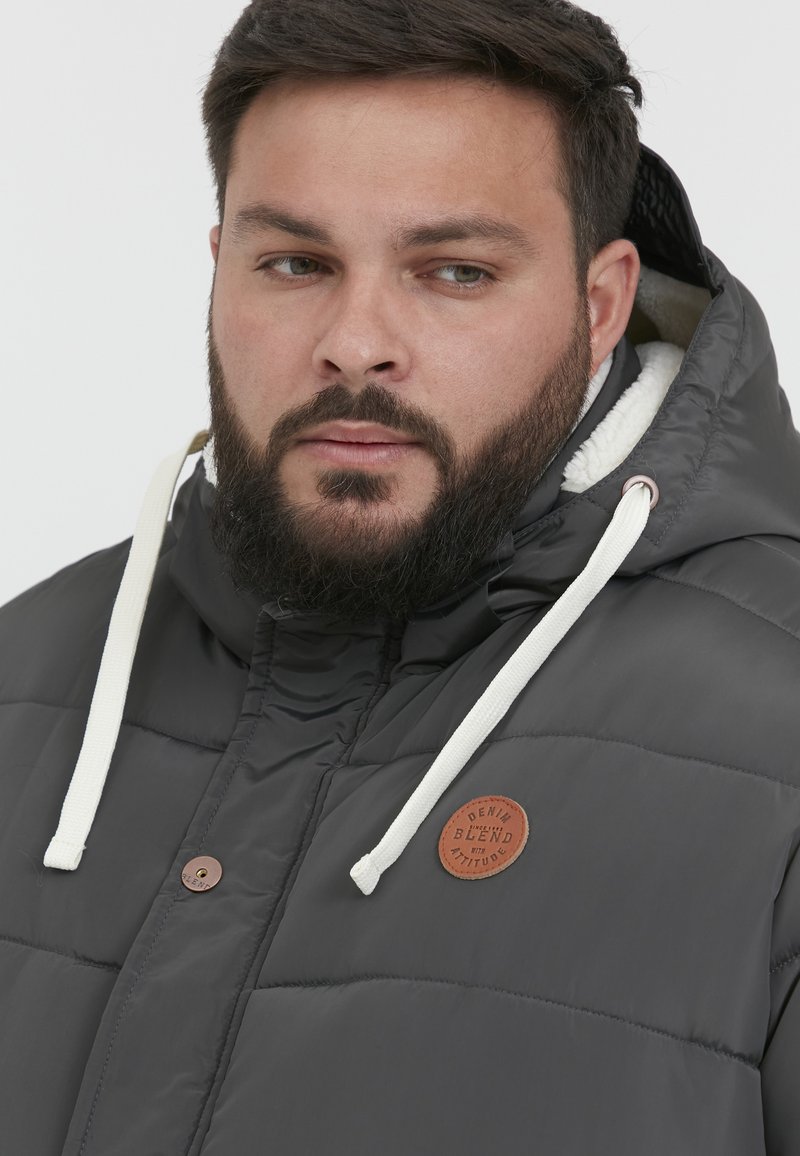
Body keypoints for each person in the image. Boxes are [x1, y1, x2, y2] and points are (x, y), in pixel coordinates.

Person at [2, 0, 799, 1151]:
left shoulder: (774, 735)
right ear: (220, 272)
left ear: (597, 307)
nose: (354, 341)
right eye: (294, 263)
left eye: (454, 271)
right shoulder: (25, 673)